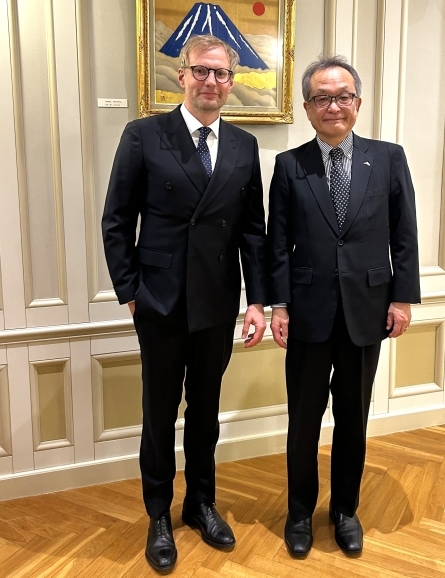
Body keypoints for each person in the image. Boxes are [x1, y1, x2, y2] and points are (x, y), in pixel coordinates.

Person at [102, 35, 267, 574]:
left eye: (221, 74)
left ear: (232, 82)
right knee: (158, 415)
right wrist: (131, 293)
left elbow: (253, 231)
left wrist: (258, 300)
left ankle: (200, 503)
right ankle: (158, 514)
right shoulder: (144, 134)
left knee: (205, 412)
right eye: (201, 71)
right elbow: (116, 220)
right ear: (182, 75)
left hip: (217, 303)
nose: (211, 82)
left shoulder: (244, 145)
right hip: (161, 303)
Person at [268, 55, 420, 558]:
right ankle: (299, 513)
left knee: (353, 418)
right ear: (307, 107)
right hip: (307, 314)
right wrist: (279, 306)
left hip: (367, 311)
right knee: (303, 421)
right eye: (322, 98)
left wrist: (402, 298)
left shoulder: (389, 158)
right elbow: (277, 243)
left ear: (358, 101)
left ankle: (345, 511)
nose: (333, 106)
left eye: (342, 97)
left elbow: (404, 234)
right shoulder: (289, 165)